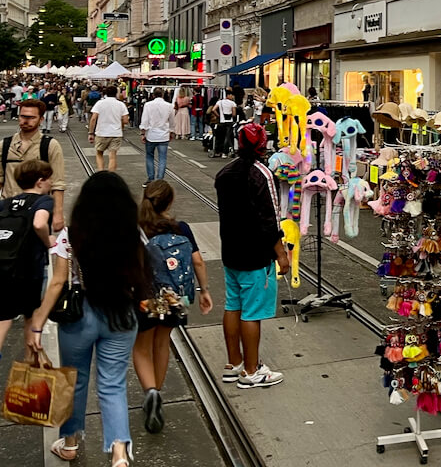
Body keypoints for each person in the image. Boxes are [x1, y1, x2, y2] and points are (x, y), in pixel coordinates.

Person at [29, 171, 149, 467]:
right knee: (113, 384)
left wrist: (37, 324)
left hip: (80, 315)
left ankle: (70, 443)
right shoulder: (133, 233)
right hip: (121, 315)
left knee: (73, 380)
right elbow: (143, 274)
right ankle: (119, 454)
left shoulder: (73, 233)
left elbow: (57, 282)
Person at [133, 181, 212, 433]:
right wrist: (204, 291)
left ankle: (150, 392)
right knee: (162, 342)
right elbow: (197, 262)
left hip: (147, 296)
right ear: (170, 202)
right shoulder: (182, 228)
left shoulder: (137, 229)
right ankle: (158, 390)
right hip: (174, 297)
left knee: (142, 346)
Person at [215, 124, 289, 389]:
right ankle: (251, 370)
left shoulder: (224, 173)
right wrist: (281, 253)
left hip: (230, 250)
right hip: (255, 254)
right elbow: (270, 218)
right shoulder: (261, 174)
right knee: (252, 312)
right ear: (262, 144)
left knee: (232, 305)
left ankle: (233, 363)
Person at [0, 159, 55, 359]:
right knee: (31, 318)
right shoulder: (44, 201)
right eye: (49, 179)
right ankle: (30, 365)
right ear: (40, 181)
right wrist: (48, 241)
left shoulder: (6, 203)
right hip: (31, 270)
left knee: (3, 316)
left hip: (5, 267)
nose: (51, 183)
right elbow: (40, 224)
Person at [0, 99, 66, 232]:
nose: (26, 120)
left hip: (38, 211)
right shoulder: (5, 145)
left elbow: (58, 182)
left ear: (41, 119)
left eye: (31, 117)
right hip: (8, 209)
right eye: (23, 116)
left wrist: (58, 213)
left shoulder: (49, 145)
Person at [89, 86, 130, 173]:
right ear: (116, 93)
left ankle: (101, 173)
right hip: (116, 133)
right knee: (112, 156)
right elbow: (126, 120)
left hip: (101, 132)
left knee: (99, 153)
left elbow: (93, 118)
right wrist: (120, 123)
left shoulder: (100, 103)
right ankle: (110, 176)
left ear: (105, 93)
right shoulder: (121, 104)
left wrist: (91, 133)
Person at [140, 88, 174, 186]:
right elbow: (172, 121)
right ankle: (160, 180)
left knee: (149, 156)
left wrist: (143, 133)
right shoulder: (169, 106)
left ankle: (151, 179)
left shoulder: (148, 105)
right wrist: (171, 132)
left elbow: (145, 120)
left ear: (153, 95)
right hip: (163, 135)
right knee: (162, 158)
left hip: (151, 134)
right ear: (163, 95)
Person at [213, 92, 237, 158]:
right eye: (232, 95)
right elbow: (234, 114)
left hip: (222, 121)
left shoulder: (219, 102)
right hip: (229, 122)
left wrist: (219, 116)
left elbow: (213, 109)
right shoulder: (232, 103)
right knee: (228, 137)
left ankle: (218, 151)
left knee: (221, 137)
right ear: (228, 95)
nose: (232, 97)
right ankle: (225, 152)